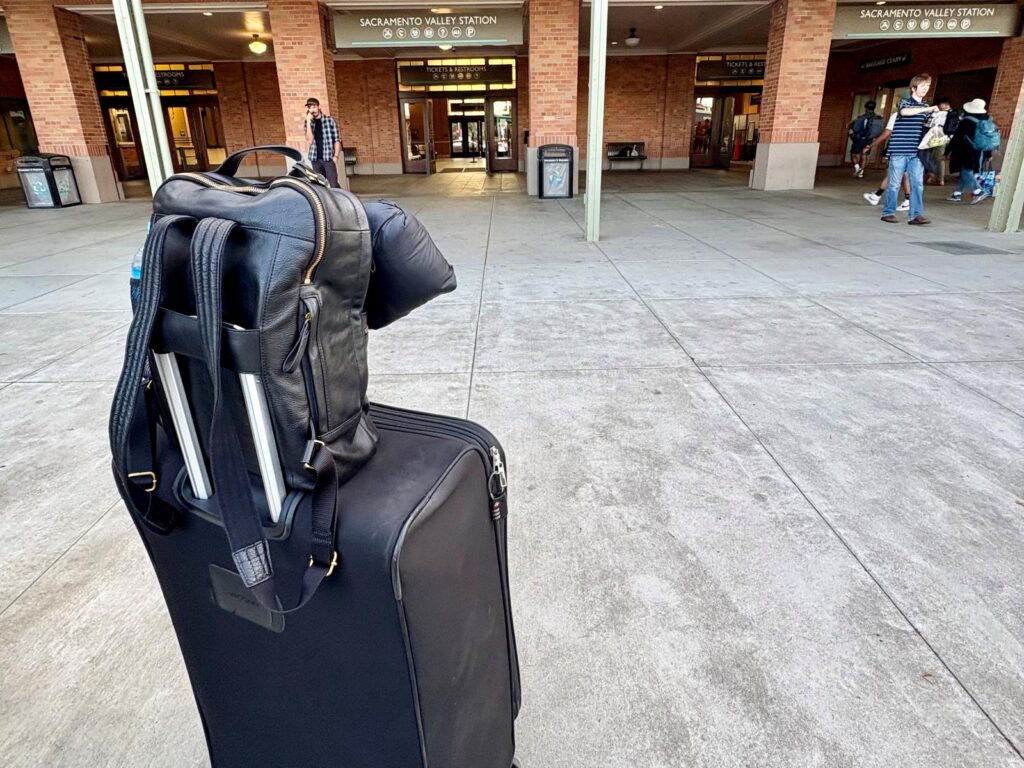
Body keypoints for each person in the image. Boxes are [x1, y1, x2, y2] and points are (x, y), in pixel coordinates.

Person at [881, 74, 937, 225]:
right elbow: (905, 112)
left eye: (927, 87)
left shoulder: (926, 108)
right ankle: (888, 212)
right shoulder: (904, 103)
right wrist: (929, 109)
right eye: (923, 86)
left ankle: (915, 215)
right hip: (899, 149)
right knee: (894, 183)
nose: (925, 89)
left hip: (916, 151)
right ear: (914, 88)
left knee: (917, 183)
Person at [947, 98, 1000, 205]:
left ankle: (978, 190)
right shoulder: (987, 119)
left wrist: (947, 151)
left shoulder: (966, 121)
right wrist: (988, 154)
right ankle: (957, 193)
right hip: (979, 150)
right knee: (965, 171)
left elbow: (956, 138)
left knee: (966, 171)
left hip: (965, 149)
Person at [862, 110, 910, 211]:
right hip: (912, 149)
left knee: (894, 173)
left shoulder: (897, 115)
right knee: (902, 174)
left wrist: (870, 146)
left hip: (898, 148)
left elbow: (886, 134)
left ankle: (905, 201)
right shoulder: (921, 114)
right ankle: (877, 195)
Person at [302, 97, 342, 188]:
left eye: (314, 107)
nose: (312, 110)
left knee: (333, 184)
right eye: (310, 108)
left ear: (319, 107)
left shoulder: (329, 120)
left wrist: (336, 156)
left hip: (328, 158)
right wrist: (308, 122)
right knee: (319, 185)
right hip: (315, 159)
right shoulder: (308, 122)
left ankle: (339, 200)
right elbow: (310, 140)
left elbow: (336, 140)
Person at [925, 97, 957, 186]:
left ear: (943, 105)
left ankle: (939, 178)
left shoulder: (941, 113)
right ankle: (934, 176)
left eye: (940, 105)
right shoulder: (954, 114)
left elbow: (930, 124)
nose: (939, 106)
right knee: (936, 157)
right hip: (946, 138)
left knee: (937, 158)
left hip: (938, 137)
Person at [849, 101, 883, 178]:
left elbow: (856, 128)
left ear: (866, 108)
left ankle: (857, 168)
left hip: (860, 139)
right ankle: (861, 173)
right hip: (869, 139)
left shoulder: (862, 117)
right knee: (864, 155)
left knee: (854, 154)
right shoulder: (877, 117)